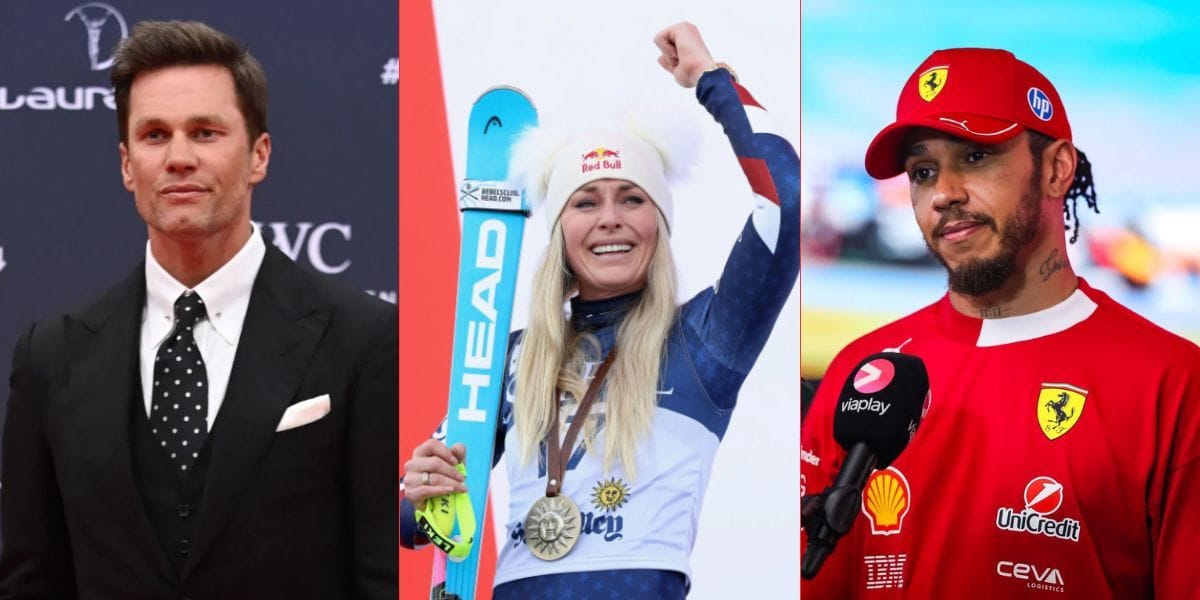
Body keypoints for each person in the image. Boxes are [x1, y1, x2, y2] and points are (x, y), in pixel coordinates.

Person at [400, 21, 798, 599]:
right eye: (585, 202)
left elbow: (784, 204)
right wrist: (421, 492)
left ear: (658, 226)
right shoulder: (510, 359)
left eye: (632, 199)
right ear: (560, 232)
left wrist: (712, 81)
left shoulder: (704, 339)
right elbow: (418, 524)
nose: (610, 218)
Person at [0, 21, 397, 599]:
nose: (179, 157)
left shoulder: (362, 337)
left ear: (259, 154)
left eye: (206, 132)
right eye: (155, 135)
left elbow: (380, 574)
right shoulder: (52, 354)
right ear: (127, 164)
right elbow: (30, 581)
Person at [801, 48, 1200, 598]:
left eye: (975, 157)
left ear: (1057, 168)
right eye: (923, 171)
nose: (943, 194)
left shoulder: (1177, 385)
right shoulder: (864, 371)